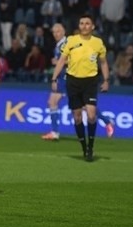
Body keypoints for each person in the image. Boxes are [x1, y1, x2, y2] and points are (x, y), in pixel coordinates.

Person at [50, 13, 110, 161]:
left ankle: (91, 146)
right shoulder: (71, 40)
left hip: (90, 81)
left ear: (93, 26)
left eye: (87, 23)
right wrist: (54, 78)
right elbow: (62, 60)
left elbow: (103, 62)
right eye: (82, 23)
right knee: (77, 117)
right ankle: (84, 147)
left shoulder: (98, 43)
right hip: (73, 82)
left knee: (91, 114)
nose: (84, 25)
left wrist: (106, 80)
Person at [41, 23, 67, 141]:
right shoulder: (59, 45)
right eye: (54, 32)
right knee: (52, 101)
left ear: (63, 31)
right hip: (62, 77)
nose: (56, 34)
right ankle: (55, 132)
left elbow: (72, 60)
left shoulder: (65, 44)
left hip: (66, 78)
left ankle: (107, 121)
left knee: (83, 106)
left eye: (58, 31)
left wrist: (58, 62)